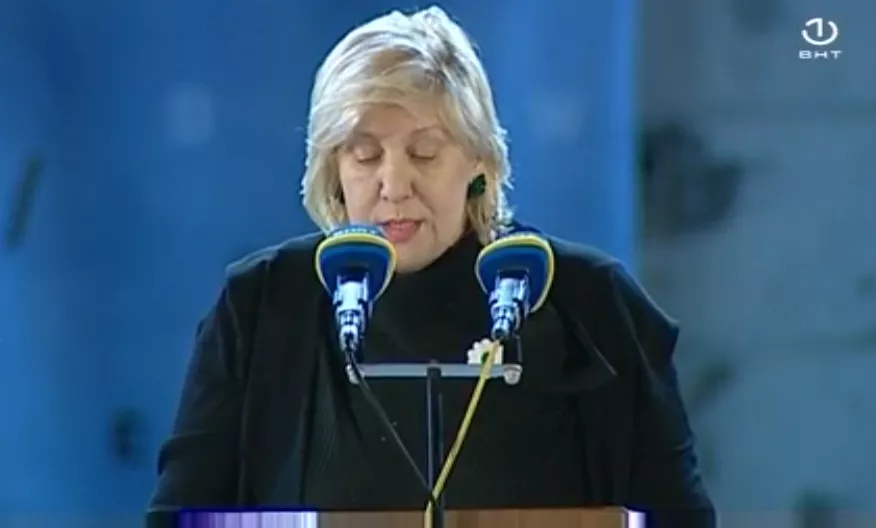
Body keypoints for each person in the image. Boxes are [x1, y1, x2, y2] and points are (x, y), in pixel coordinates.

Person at [148, 6, 715, 528]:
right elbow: (182, 520)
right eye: (365, 155)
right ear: (332, 171)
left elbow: (678, 520)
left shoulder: (592, 303)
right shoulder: (260, 308)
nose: (395, 185)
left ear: (479, 162)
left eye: (425, 153)